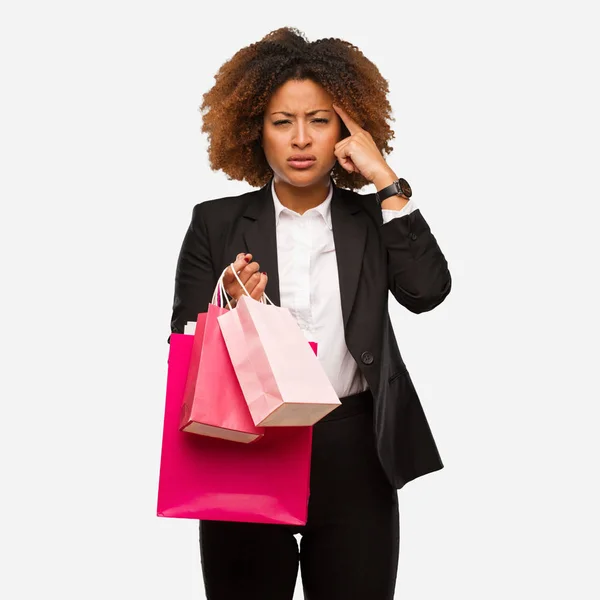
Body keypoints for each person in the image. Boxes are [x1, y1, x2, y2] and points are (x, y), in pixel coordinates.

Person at [169, 26, 452, 600]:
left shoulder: (372, 219)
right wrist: (227, 303)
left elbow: (426, 292)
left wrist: (386, 182)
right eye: (282, 122)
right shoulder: (215, 222)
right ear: (257, 132)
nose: (301, 139)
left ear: (345, 131)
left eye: (319, 120)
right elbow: (182, 337)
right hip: (248, 444)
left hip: (354, 450)